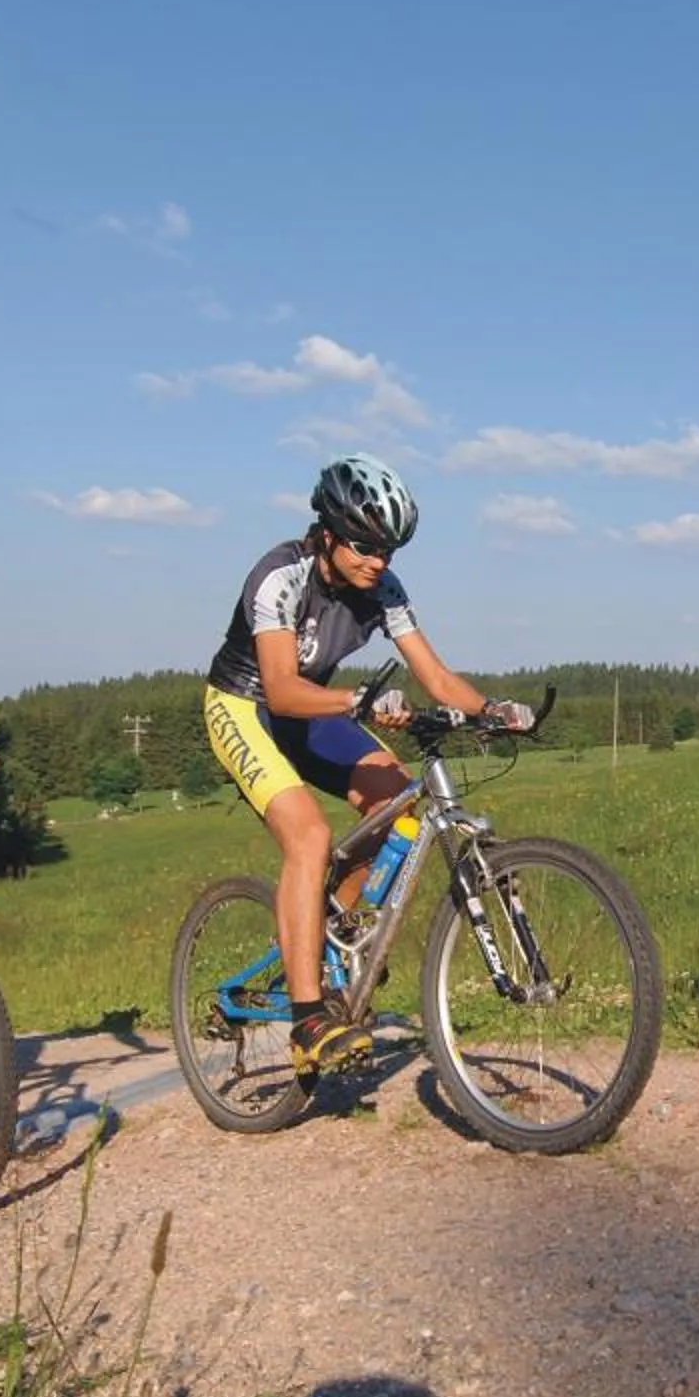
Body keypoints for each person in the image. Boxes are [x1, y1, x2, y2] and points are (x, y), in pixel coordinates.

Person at [202, 454, 528, 1079]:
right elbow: (278, 687)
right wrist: (362, 702)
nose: (377, 562)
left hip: (311, 710)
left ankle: (330, 931)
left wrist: (493, 709)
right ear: (327, 530)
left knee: (397, 802)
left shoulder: (383, 589)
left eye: (389, 551)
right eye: (364, 547)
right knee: (310, 835)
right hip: (246, 705)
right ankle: (307, 1021)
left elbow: (433, 677)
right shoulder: (279, 576)